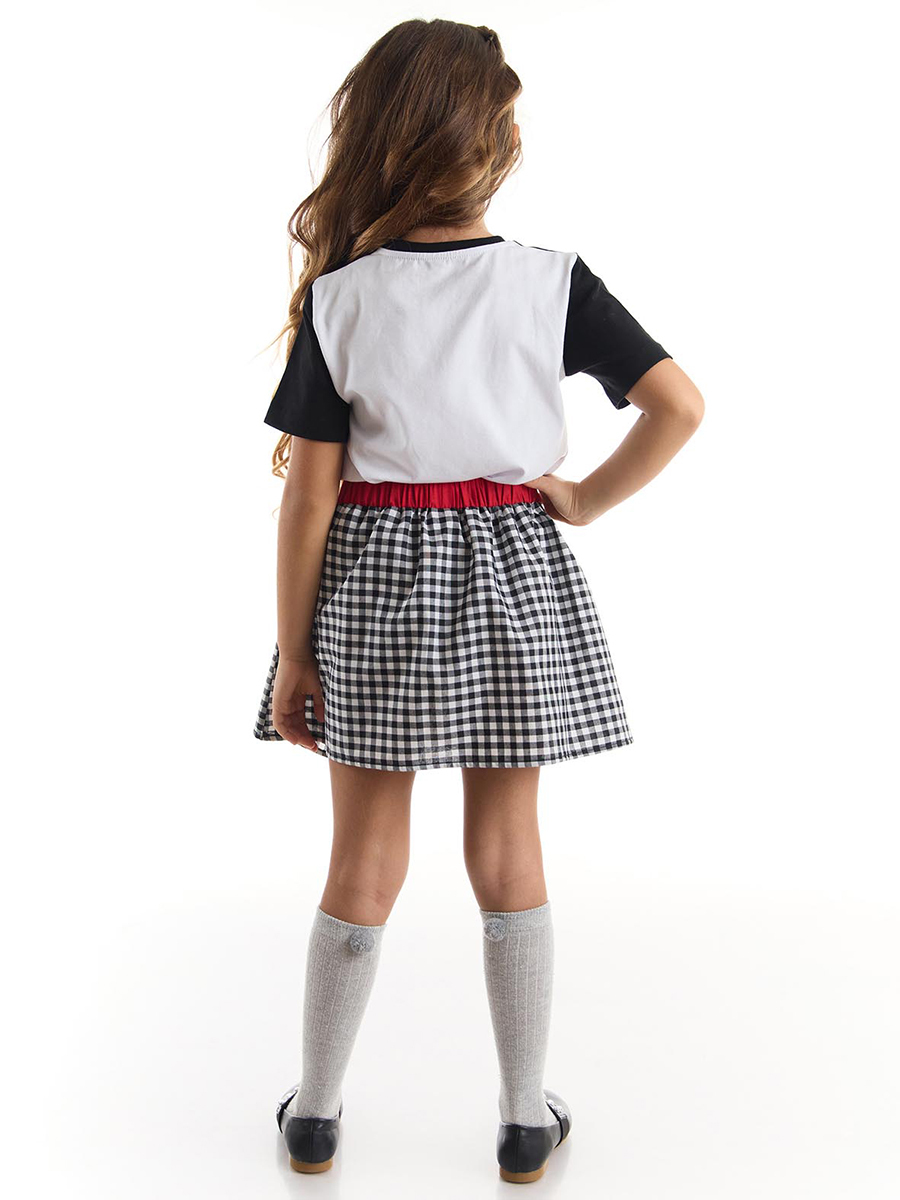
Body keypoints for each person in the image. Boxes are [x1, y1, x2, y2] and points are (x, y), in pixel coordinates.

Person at [254, 17, 704, 1184]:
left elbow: (308, 502)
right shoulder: (551, 282)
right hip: (513, 573)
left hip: (376, 581)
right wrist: (583, 500)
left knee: (362, 860)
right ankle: (521, 1120)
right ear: (494, 142)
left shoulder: (343, 298)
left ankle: (315, 1114)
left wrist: (295, 654)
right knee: (508, 850)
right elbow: (680, 406)